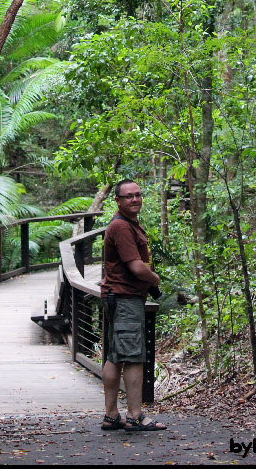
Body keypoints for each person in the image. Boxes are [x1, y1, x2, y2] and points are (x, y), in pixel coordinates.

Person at [100, 178, 167, 432]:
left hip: (120, 297)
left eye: (138, 195)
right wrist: (155, 278)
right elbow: (137, 267)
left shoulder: (129, 224)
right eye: (129, 196)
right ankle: (136, 415)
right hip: (125, 298)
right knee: (133, 357)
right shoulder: (121, 227)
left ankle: (112, 415)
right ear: (118, 200)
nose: (135, 199)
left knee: (116, 356)